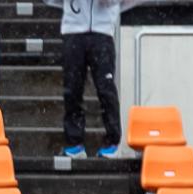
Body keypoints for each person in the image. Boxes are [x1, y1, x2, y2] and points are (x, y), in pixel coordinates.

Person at [48, 0, 141, 159]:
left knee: (106, 89)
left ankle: (113, 142)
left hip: (102, 33)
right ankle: (74, 143)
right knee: (72, 89)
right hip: (73, 31)